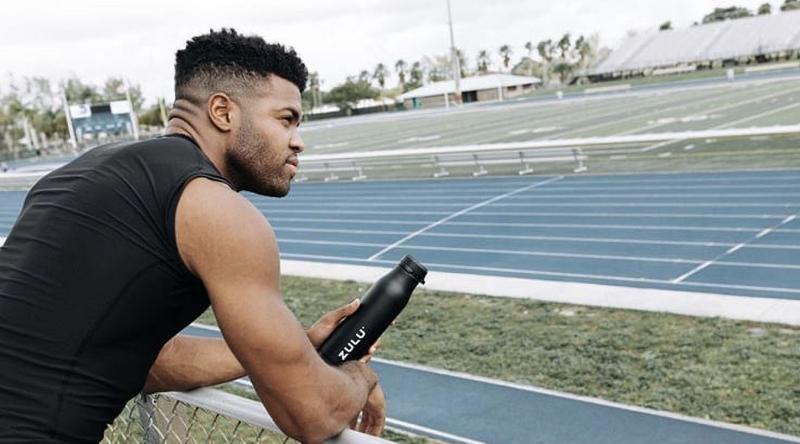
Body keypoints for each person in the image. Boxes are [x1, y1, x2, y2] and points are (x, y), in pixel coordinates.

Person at [0, 29, 384, 444]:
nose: (298, 141)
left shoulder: (72, 177)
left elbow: (142, 360)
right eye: (285, 119)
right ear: (222, 112)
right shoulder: (214, 208)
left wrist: (298, 346)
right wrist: (360, 378)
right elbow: (312, 412)